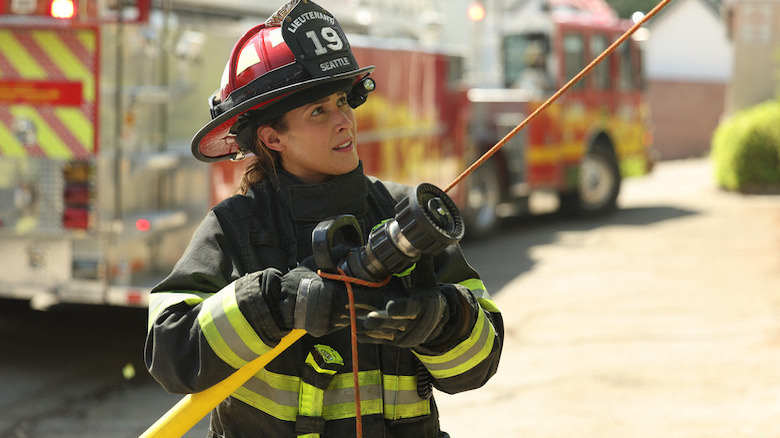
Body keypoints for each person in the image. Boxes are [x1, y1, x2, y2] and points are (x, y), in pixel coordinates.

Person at [144, 1, 503, 437]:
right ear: (273, 137)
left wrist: (442, 321)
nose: (344, 121)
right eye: (319, 111)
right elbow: (170, 354)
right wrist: (272, 304)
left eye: (341, 101)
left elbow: (478, 367)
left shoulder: (404, 214)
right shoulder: (236, 228)